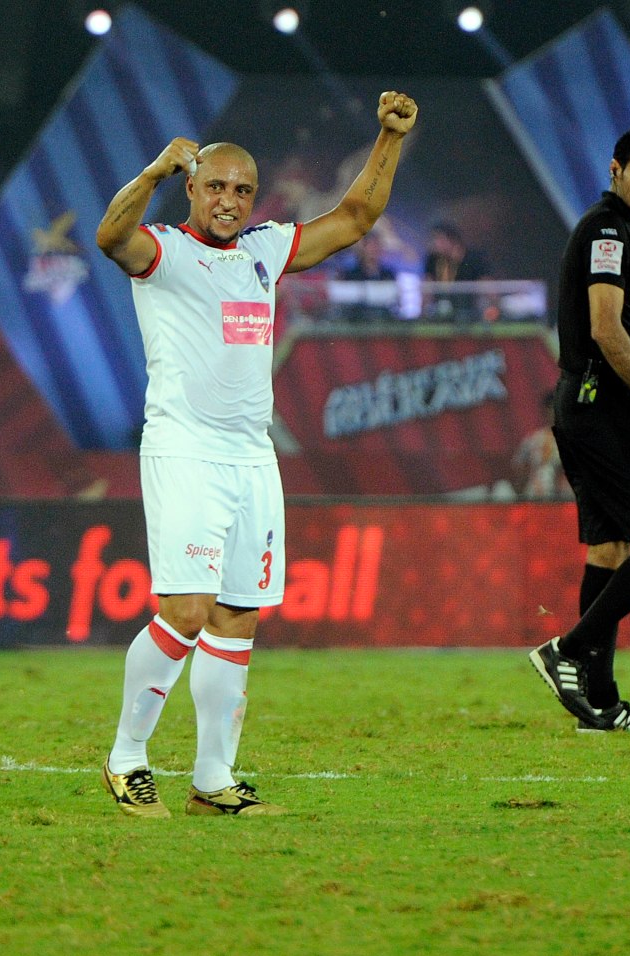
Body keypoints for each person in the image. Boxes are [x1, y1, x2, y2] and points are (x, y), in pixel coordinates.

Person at [95, 90, 418, 817]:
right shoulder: (165, 252)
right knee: (186, 608)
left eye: (243, 190)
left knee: (238, 616)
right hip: (183, 452)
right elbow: (110, 237)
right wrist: (150, 170)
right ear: (192, 188)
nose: (231, 200)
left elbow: (356, 217)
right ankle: (126, 758)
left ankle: (213, 781)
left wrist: (389, 138)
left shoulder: (265, 251)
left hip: (252, 458)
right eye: (217, 187)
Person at [528, 128, 630, 732]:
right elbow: (605, 327)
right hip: (606, 406)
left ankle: (598, 703)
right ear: (616, 169)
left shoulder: (628, 236)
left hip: (586, 404)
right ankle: (567, 651)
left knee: (610, 549)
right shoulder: (607, 232)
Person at [422, 221, 490, 322]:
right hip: (441, 311)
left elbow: (487, 286)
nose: (434, 243)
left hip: (470, 312)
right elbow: (427, 288)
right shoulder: (432, 259)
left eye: (438, 239)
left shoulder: (473, 258)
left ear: (452, 240)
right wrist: (423, 313)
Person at [511, 390, 572, 500]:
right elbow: (519, 468)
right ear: (546, 411)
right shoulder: (534, 439)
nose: (554, 413)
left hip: (566, 500)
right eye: (551, 409)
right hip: (537, 499)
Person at [337, 231, 397, 322]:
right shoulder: (351, 274)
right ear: (363, 249)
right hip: (357, 322)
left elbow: (393, 301)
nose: (374, 250)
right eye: (370, 246)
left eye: (376, 246)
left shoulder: (388, 275)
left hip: (383, 323)